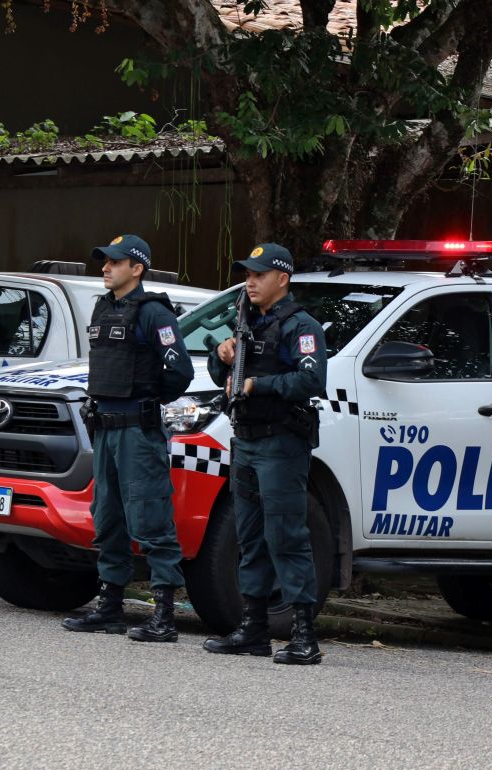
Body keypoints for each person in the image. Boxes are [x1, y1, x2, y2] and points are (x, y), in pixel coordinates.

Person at [62, 234, 194, 642]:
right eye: (103, 261)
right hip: (105, 430)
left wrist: (148, 402)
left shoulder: (154, 313)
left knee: (150, 520)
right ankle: (111, 608)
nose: (104, 268)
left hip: (138, 432)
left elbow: (180, 371)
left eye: (114, 263)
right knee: (108, 519)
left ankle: (164, 615)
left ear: (136, 268)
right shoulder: (104, 307)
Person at [202, 243, 327, 665]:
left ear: (282, 279)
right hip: (247, 440)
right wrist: (222, 360)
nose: (250, 281)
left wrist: (259, 384)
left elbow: (310, 381)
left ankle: (304, 635)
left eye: (258, 274)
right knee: (250, 537)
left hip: (281, 444)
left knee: (286, 537)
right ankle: (253, 629)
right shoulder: (246, 322)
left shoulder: (301, 326)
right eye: (247, 274)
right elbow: (225, 377)